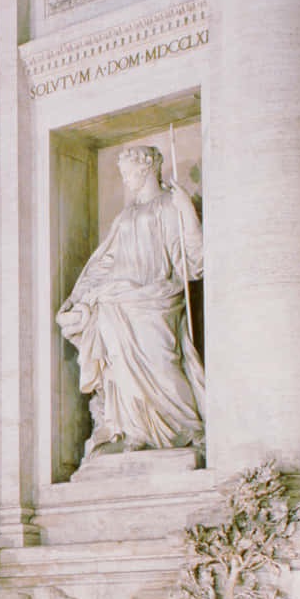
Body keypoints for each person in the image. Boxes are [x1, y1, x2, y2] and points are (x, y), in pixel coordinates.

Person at [57, 144, 205, 456]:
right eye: (122, 175)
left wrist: (188, 212)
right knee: (121, 367)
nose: (125, 180)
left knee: (164, 363)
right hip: (116, 301)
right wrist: (78, 298)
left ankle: (188, 426)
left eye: (128, 173)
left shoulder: (169, 205)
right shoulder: (126, 214)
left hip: (156, 298)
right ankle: (135, 428)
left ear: (147, 169)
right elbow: (105, 262)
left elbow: (191, 261)